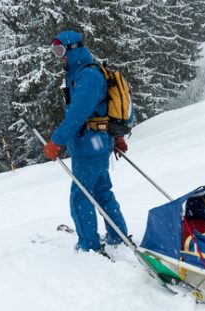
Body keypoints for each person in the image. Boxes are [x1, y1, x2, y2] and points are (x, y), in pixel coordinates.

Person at [43, 30, 129, 253]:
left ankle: (88, 246)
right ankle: (117, 236)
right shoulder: (83, 72)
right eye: (55, 52)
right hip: (96, 143)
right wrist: (116, 137)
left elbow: (78, 114)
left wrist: (56, 142)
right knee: (102, 193)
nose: (58, 57)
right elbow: (101, 109)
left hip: (90, 146)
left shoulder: (88, 76)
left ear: (74, 49)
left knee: (81, 197)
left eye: (60, 51)